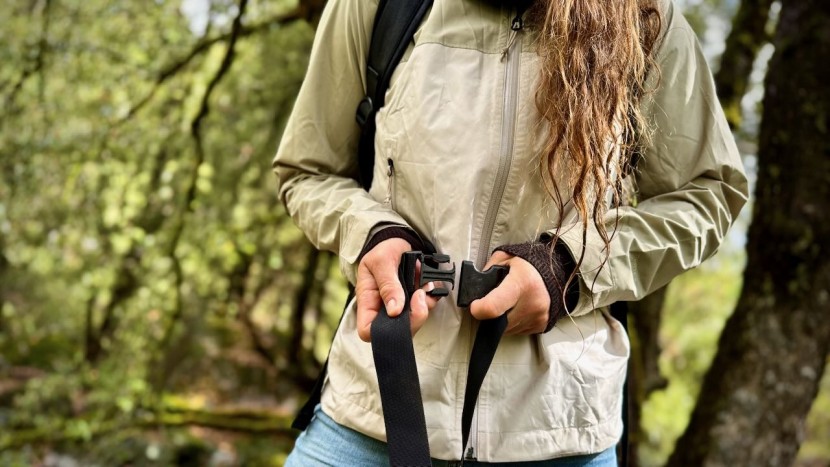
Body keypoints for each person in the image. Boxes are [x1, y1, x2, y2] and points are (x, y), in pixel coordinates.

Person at [273, 0, 748, 464]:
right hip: (372, 412)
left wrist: (566, 266)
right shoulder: (377, 7)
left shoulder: (646, 17)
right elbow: (307, 170)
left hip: (560, 428)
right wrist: (371, 233)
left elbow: (709, 192)